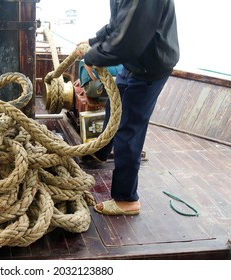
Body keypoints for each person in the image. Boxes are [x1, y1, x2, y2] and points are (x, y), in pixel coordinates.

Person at [77, 0, 180, 215]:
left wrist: (93, 56)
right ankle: (100, 152)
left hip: (149, 67)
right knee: (114, 110)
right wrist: (94, 40)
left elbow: (127, 41)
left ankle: (127, 199)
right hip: (135, 61)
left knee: (129, 128)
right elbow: (119, 23)